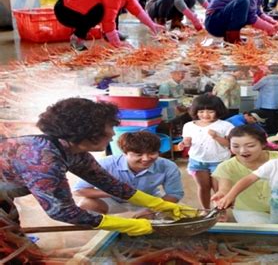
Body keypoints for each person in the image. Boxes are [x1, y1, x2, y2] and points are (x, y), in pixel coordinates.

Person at [0, 98, 197, 236]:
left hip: (8, 189)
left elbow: (109, 183)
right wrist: (125, 224)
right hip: (5, 186)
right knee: (6, 237)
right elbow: (62, 211)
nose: (113, 134)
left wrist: (159, 204)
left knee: (11, 227)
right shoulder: (43, 160)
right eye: (109, 127)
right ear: (88, 131)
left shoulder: (72, 149)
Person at [74, 131, 184, 214]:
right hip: (113, 200)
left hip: (146, 201)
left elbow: (174, 194)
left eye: (152, 153)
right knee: (85, 205)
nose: (146, 158)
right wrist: (114, 192)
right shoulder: (105, 164)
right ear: (125, 153)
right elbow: (78, 190)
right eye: (138, 154)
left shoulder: (168, 166)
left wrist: (151, 210)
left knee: (170, 214)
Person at [211, 125, 278, 223]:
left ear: (263, 144)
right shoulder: (226, 167)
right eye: (235, 146)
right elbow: (224, 189)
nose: (242, 151)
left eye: (250, 146)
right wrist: (222, 196)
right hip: (248, 210)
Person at [178, 94, 234, 208]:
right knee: (203, 187)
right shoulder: (189, 125)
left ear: (218, 111)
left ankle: (220, 211)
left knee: (219, 189)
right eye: (201, 111)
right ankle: (206, 210)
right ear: (195, 111)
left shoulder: (225, 125)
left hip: (220, 162)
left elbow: (230, 145)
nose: (205, 115)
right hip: (197, 161)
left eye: (210, 111)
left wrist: (216, 137)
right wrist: (183, 143)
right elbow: (187, 142)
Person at [252, 64, 278, 135]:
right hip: (275, 102)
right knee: (274, 118)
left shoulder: (266, 78)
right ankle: (275, 132)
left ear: (270, 70)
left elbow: (254, 87)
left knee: (267, 119)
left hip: (266, 102)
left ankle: (269, 134)